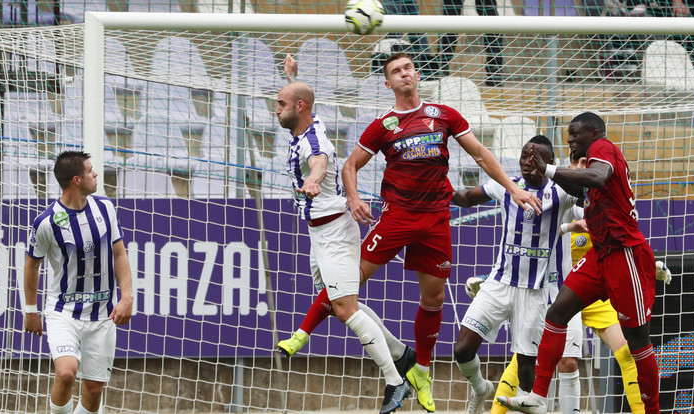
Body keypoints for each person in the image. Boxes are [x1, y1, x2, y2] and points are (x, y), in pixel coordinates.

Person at [280, 52, 541, 413]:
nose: (404, 74)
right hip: (396, 218)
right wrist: (353, 198)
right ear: (388, 83)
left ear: (416, 75)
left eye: (408, 68)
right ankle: (302, 333)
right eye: (396, 72)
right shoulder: (383, 124)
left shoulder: (444, 115)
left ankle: (421, 371)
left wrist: (514, 189)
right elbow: (350, 164)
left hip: (435, 221)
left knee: (433, 300)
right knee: (348, 282)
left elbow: (480, 153)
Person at [498, 111, 661, 414]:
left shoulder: (603, 149)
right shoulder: (590, 162)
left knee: (637, 341)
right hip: (599, 254)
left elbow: (597, 177)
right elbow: (585, 188)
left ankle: (652, 410)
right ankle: (538, 396)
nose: (570, 139)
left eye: (575, 133)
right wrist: (549, 173)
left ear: (594, 133)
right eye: (568, 133)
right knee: (557, 313)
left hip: (624, 254)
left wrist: (548, 168)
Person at [276, 54, 410, 414]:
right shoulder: (307, 121)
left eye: (281, 103)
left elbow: (319, 160)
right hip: (320, 233)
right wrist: (291, 76)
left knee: (346, 309)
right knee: (340, 305)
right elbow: (304, 109)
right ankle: (401, 353)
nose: (276, 109)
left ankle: (396, 381)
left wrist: (313, 179)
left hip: (334, 231)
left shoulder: (312, 142)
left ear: (299, 106)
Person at [451, 135, 576, 414]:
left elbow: (587, 195)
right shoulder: (506, 185)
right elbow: (467, 198)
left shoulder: (561, 192)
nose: (528, 163)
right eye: (524, 157)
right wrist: (439, 189)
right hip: (498, 283)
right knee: (461, 349)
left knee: (526, 369)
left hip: (534, 292)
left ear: (549, 163)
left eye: (536, 159)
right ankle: (481, 387)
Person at [23, 150, 133, 414]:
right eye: (90, 170)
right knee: (66, 373)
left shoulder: (105, 208)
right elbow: (31, 265)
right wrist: (30, 310)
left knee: (94, 392)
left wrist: (127, 295)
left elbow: (119, 252)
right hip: (63, 313)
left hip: (101, 317)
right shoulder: (46, 222)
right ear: (76, 180)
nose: (95, 174)